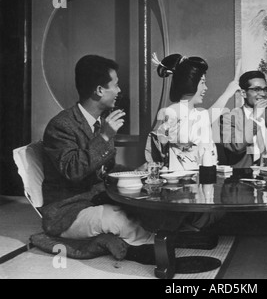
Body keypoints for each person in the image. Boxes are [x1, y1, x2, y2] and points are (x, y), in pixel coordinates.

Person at [39, 54, 158, 264]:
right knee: (116, 218)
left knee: (142, 207)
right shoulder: (61, 126)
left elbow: (106, 170)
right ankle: (155, 247)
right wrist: (104, 137)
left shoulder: (101, 122)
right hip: (68, 211)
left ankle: (154, 241)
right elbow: (73, 170)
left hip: (95, 200)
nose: (119, 91)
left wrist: (136, 171)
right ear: (99, 90)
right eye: (116, 85)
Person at [147, 53, 241, 171]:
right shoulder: (173, 111)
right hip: (182, 182)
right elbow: (205, 119)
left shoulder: (194, 113)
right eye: (202, 82)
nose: (205, 88)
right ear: (189, 83)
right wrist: (227, 93)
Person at [221, 70, 267, 168]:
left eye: (265, 89)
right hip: (242, 176)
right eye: (257, 89)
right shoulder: (229, 117)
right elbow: (236, 147)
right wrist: (254, 118)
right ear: (243, 93)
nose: (262, 94)